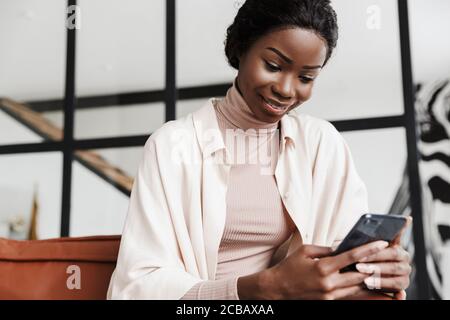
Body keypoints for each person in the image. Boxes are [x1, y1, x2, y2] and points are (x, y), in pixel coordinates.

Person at [107, 0, 412, 300]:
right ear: (241, 48)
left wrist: (376, 277)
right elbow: (136, 289)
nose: (287, 89)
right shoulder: (172, 146)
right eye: (273, 66)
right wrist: (263, 288)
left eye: (306, 78)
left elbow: (340, 272)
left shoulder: (322, 144)